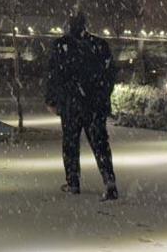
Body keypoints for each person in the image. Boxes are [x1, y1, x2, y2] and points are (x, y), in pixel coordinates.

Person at [45, 12, 119, 201]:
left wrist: (52, 99)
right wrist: (102, 97)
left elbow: (53, 75)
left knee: (70, 143)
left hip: (71, 103)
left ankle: (73, 182)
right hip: (94, 104)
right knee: (100, 143)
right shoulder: (99, 46)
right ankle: (109, 181)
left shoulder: (61, 47)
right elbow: (109, 75)